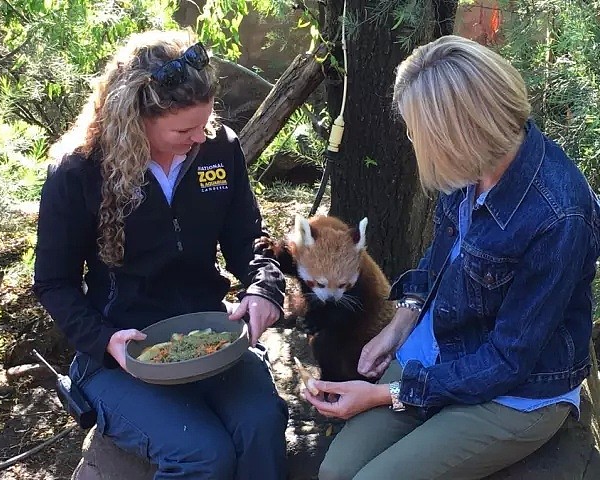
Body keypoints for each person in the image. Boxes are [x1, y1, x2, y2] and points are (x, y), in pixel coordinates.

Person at [303, 35, 600, 480]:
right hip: (441, 351)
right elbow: (439, 261)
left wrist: (387, 395)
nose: (410, 139)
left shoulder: (559, 215)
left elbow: (507, 361)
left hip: (516, 394)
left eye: (414, 130)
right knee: (335, 472)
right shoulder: (472, 167)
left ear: (455, 133)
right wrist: (397, 329)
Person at [33, 29, 289, 480]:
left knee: (262, 424)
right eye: (183, 129)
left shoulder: (219, 149)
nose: (199, 137)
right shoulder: (78, 172)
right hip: (118, 354)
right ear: (135, 118)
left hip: (210, 337)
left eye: (205, 122)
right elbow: (54, 282)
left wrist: (264, 288)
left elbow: (249, 238)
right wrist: (103, 340)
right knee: (203, 454)